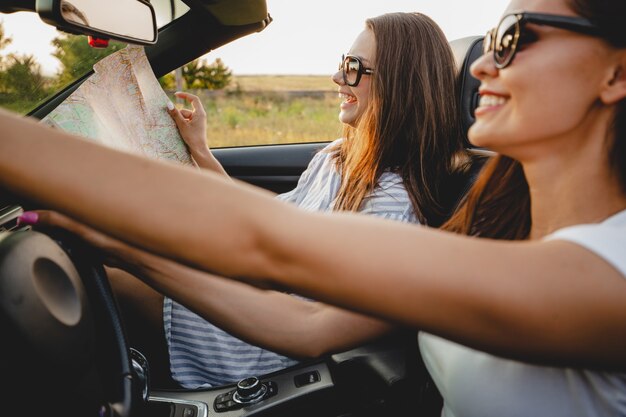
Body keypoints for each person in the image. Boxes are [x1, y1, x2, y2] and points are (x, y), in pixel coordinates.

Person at [1, 0, 625, 414]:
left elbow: (273, 248)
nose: (482, 64)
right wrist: (121, 244)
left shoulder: (608, 280)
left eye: (514, 39)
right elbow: (284, 270)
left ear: (616, 74)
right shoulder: (495, 227)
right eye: (490, 40)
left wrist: (33, 156)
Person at [42, 12, 468, 389]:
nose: (337, 78)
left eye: (354, 68)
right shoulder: (339, 156)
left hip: (251, 337)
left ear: (400, 84)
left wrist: (140, 253)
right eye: (343, 63)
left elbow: (312, 322)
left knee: (100, 275)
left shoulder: (391, 206)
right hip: (248, 294)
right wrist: (201, 152)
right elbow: (269, 219)